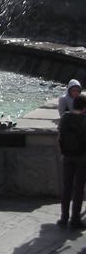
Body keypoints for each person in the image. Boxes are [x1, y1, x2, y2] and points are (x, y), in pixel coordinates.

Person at [58, 94, 86, 229]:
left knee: (67, 187)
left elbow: (60, 137)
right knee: (79, 189)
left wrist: (63, 152)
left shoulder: (65, 117)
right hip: (82, 158)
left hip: (67, 156)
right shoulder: (84, 119)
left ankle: (64, 218)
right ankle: (75, 219)